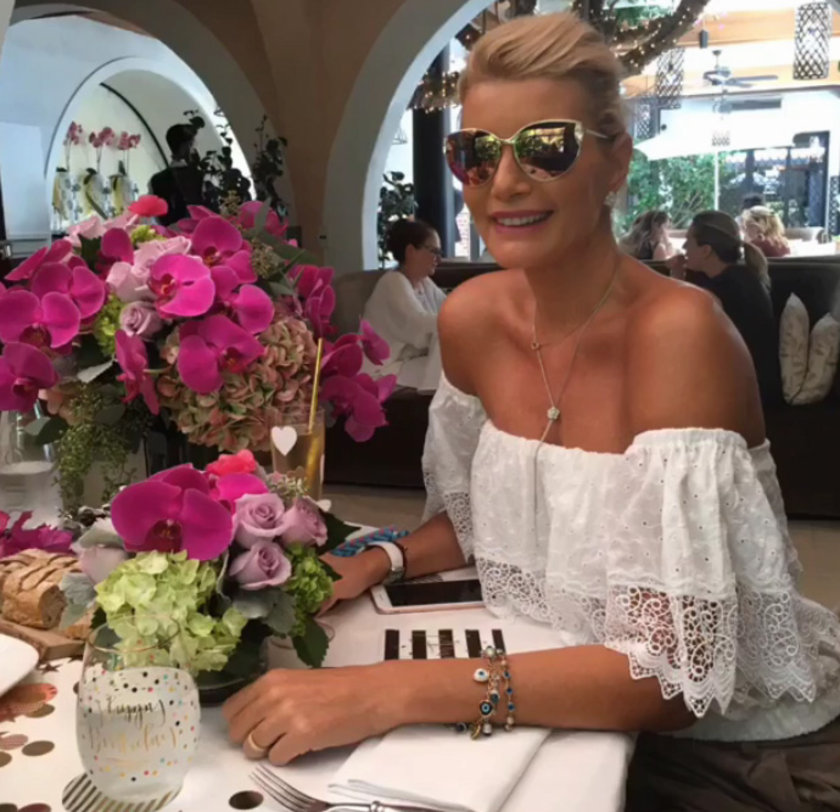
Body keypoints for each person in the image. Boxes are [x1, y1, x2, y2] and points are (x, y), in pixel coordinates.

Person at [223, 14, 840, 810]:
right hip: (556, 702)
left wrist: (390, 691)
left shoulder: (678, 334)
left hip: (726, 749)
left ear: (615, 160)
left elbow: (673, 676)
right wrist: (376, 563)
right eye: (476, 153)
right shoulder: (471, 320)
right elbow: (483, 521)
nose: (505, 183)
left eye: (547, 148)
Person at [668, 211, 783, 407]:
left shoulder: (727, 288)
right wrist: (677, 274)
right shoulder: (738, 276)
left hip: (746, 395)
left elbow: (681, 332)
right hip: (748, 385)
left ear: (706, 250)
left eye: (689, 241)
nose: (684, 247)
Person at [361, 219, 447, 392]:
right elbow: (418, 326)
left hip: (406, 362)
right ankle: (432, 402)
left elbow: (450, 307)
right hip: (384, 370)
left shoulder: (424, 283)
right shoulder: (392, 283)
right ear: (411, 251)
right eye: (434, 251)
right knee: (457, 373)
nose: (438, 259)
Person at [149, 124, 205, 226]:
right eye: (193, 146)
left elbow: (157, 218)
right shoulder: (197, 176)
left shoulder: (155, 180)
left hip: (169, 233)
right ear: (186, 147)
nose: (195, 151)